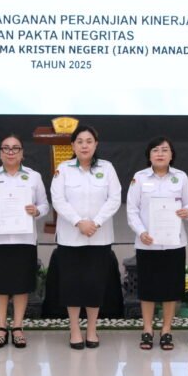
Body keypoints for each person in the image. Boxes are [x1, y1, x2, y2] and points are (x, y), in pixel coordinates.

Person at [50, 124, 122, 349]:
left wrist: (96, 222)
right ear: (72, 145)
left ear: (96, 144)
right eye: (80, 141)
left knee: (94, 284)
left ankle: (91, 329)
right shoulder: (63, 169)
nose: (84, 146)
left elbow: (115, 198)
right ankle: (74, 330)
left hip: (99, 237)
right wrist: (79, 222)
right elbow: (58, 199)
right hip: (70, 237)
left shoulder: (107, 168)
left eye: (89, 141)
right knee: (71, 285)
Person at [0, 134, 49, 349]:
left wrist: (37, 211)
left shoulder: (33, 177)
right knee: (0, 285)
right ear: (0, 153)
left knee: (21, 286)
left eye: (15, 148)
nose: (10, 152)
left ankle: (17, 327)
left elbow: (45, 205)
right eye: (6, 148)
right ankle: (0, 327)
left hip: (25, 240)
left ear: (22, 153)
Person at [125, 136, 188, 351]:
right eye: (155, 150)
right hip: (148, 243)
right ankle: (147, 329)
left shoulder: (181, 177)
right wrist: (141, 232)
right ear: (149, 155)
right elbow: (132, 210)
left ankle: (166, 330)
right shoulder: (139, 178)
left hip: (174, 243)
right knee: (147, 288)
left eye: (165, 150)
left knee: (170, 289)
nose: (160, 154)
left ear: (171, 155)